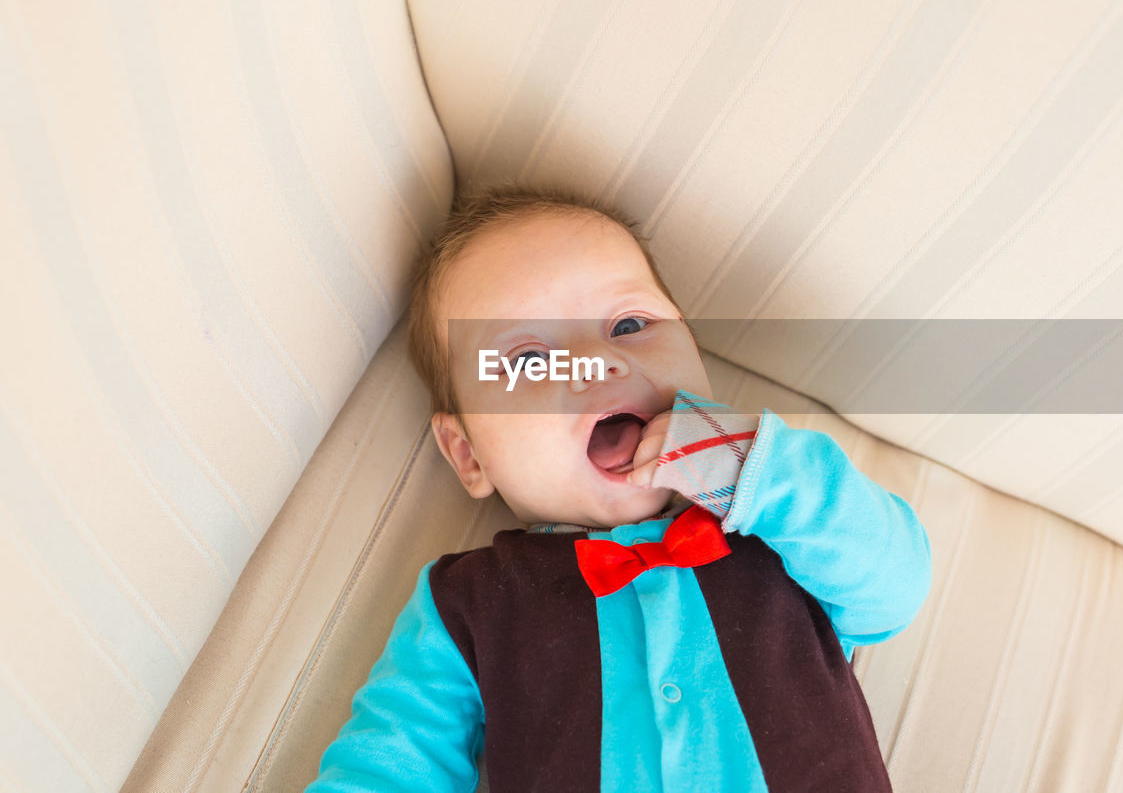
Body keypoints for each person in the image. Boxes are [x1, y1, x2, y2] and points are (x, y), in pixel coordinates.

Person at [306, 186, 933, 792]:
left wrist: (757, 466)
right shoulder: (465, 603)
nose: (598, 363)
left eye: (630, 323)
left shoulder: (780, 526)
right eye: (528, 361)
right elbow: (391, 762)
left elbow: (894, 585)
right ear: (469, 455)